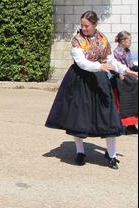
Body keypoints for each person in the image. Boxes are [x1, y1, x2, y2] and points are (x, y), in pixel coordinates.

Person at [45, 11, 137, 170]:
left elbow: (110, 59)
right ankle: (80, 152)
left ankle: (111, 155)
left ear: (95, 25)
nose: (83, 28)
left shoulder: (102, 39)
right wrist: (100, 66)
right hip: (80, 80)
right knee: (79, 117)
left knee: (109, 116)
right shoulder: (77, 40)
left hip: (100, 81)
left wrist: (127, 71)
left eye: (87, 25)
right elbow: (81, 63)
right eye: (82, 25)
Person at [111, 31, 138, 134]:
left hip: (128, 77)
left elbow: (130, 66)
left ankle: (131, 125)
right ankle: (123, 125)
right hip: (120, 78)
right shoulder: (116, 53)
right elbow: (115, 68)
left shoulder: (127, 51)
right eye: (128, 40)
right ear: (122, 41)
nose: (130, 42)